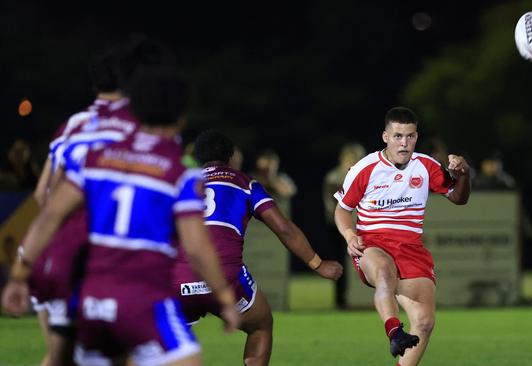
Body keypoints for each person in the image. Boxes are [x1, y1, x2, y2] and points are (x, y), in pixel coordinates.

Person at [2, 68, 240, 366]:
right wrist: (225, 298)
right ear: (180, 119)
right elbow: (196, 247)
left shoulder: (97, 158)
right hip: (141, 297)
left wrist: (20, 276)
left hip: (89, 299)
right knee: (188, 360)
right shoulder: (178, 173)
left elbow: (49, 214)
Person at [173, 129, 343, 366]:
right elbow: (283, 228)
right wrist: (318, 264)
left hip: (179, 278)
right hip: (225, 277)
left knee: (171, 345)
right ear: (231, 156)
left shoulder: (179, 184)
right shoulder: (244, 182)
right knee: (261, 325)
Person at [333, 107, 470, 365]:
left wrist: (464, 175)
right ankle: (394, 331)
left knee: (425, 322)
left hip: (411, 249)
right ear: (385, 136)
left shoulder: (426, 166)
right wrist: (350, 234)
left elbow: (459, 198)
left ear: (416, 137)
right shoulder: (365, 168)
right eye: (397, 136)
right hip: (372, 243)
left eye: (409, 136)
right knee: (385, 272)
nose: (404, 143)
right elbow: (342, 210)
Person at [322, 142, 366, 308]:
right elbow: (330, 205)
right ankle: (341, 299)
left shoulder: (367, 174)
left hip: (363, 226)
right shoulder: (334, 177)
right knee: (341, 262)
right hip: (340, 227)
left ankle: (362, 296)